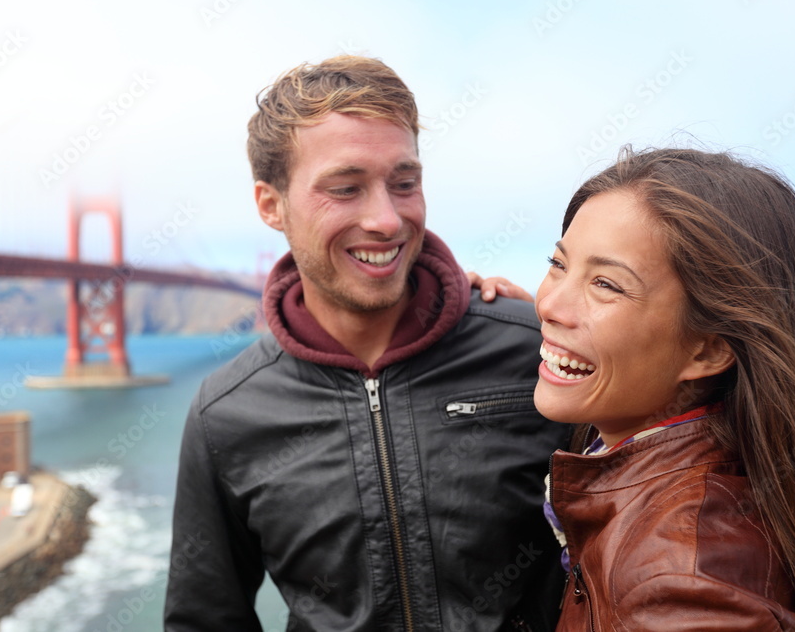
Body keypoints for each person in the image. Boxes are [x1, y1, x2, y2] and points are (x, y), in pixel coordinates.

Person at [164, 56, 571, 631]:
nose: (386, 220)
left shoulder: (532, 354)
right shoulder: (225, 414)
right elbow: (205, 619)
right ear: (270, 205)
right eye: (346, 188)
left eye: (404, 183)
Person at [534, 147, 795, 631]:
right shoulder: (736, 475)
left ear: (708, 351)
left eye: (606, 283)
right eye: (559, 264)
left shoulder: (681, 586)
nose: (549, 305)